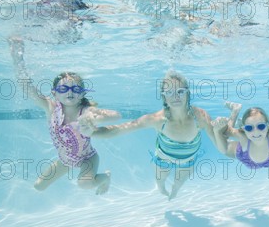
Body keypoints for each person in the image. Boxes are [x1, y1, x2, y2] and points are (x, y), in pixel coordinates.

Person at [9, 37, 120, 194]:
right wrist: (17, 58)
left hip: (88, 158)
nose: (69, 92)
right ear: (54, 93)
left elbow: (115, 115)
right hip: (65, 161)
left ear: (82, 94)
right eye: (64, 89)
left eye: (75, 89)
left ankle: (105, 178)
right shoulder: (51, 107)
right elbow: (26, 86)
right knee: (38, 186)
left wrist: (97, 118)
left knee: (84, 184)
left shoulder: (86, 110)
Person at [88, 70, 216, 200]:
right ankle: (161, 188)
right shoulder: (157, 119)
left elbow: (219, 137)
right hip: (163, 159)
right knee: (160, 180)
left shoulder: (200, 117)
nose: (175, 96)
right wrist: (92, 132)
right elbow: (118, 130)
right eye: (169, 92)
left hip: (188, 160)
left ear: (187, 93)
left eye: (180, 91)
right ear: (164, 96)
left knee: (179, 183)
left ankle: (175, 190)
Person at [212, 102, 269, 169]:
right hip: (243, 153)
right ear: (244, 129)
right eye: (249, 128)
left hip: (252, 156)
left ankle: (239, 116)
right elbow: (225, 139)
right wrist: (218, 129)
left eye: (261, 126)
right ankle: (235, 110)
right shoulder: (243, 136)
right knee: (225, 141)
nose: (256, 132)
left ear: (268, 126)